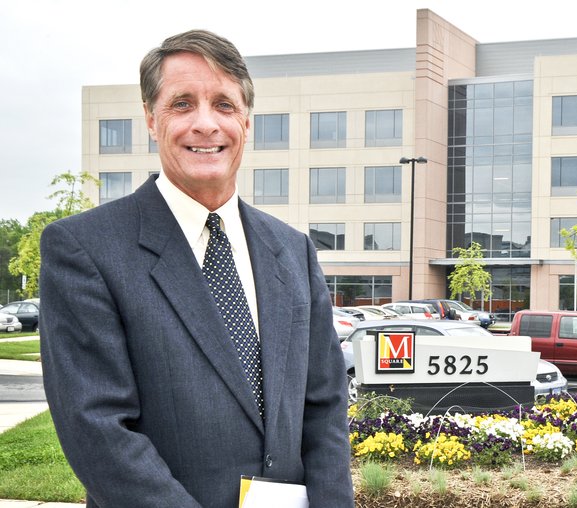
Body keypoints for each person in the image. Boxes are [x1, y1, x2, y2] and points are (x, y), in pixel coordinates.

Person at [39, 30, 353, 507]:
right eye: (182, 104)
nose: (206, 124)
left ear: (246, 121)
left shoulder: (293, 251)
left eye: (224, 104)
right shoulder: (84, 249)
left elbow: (323, 409)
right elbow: (98, 430)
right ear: (151, 118)